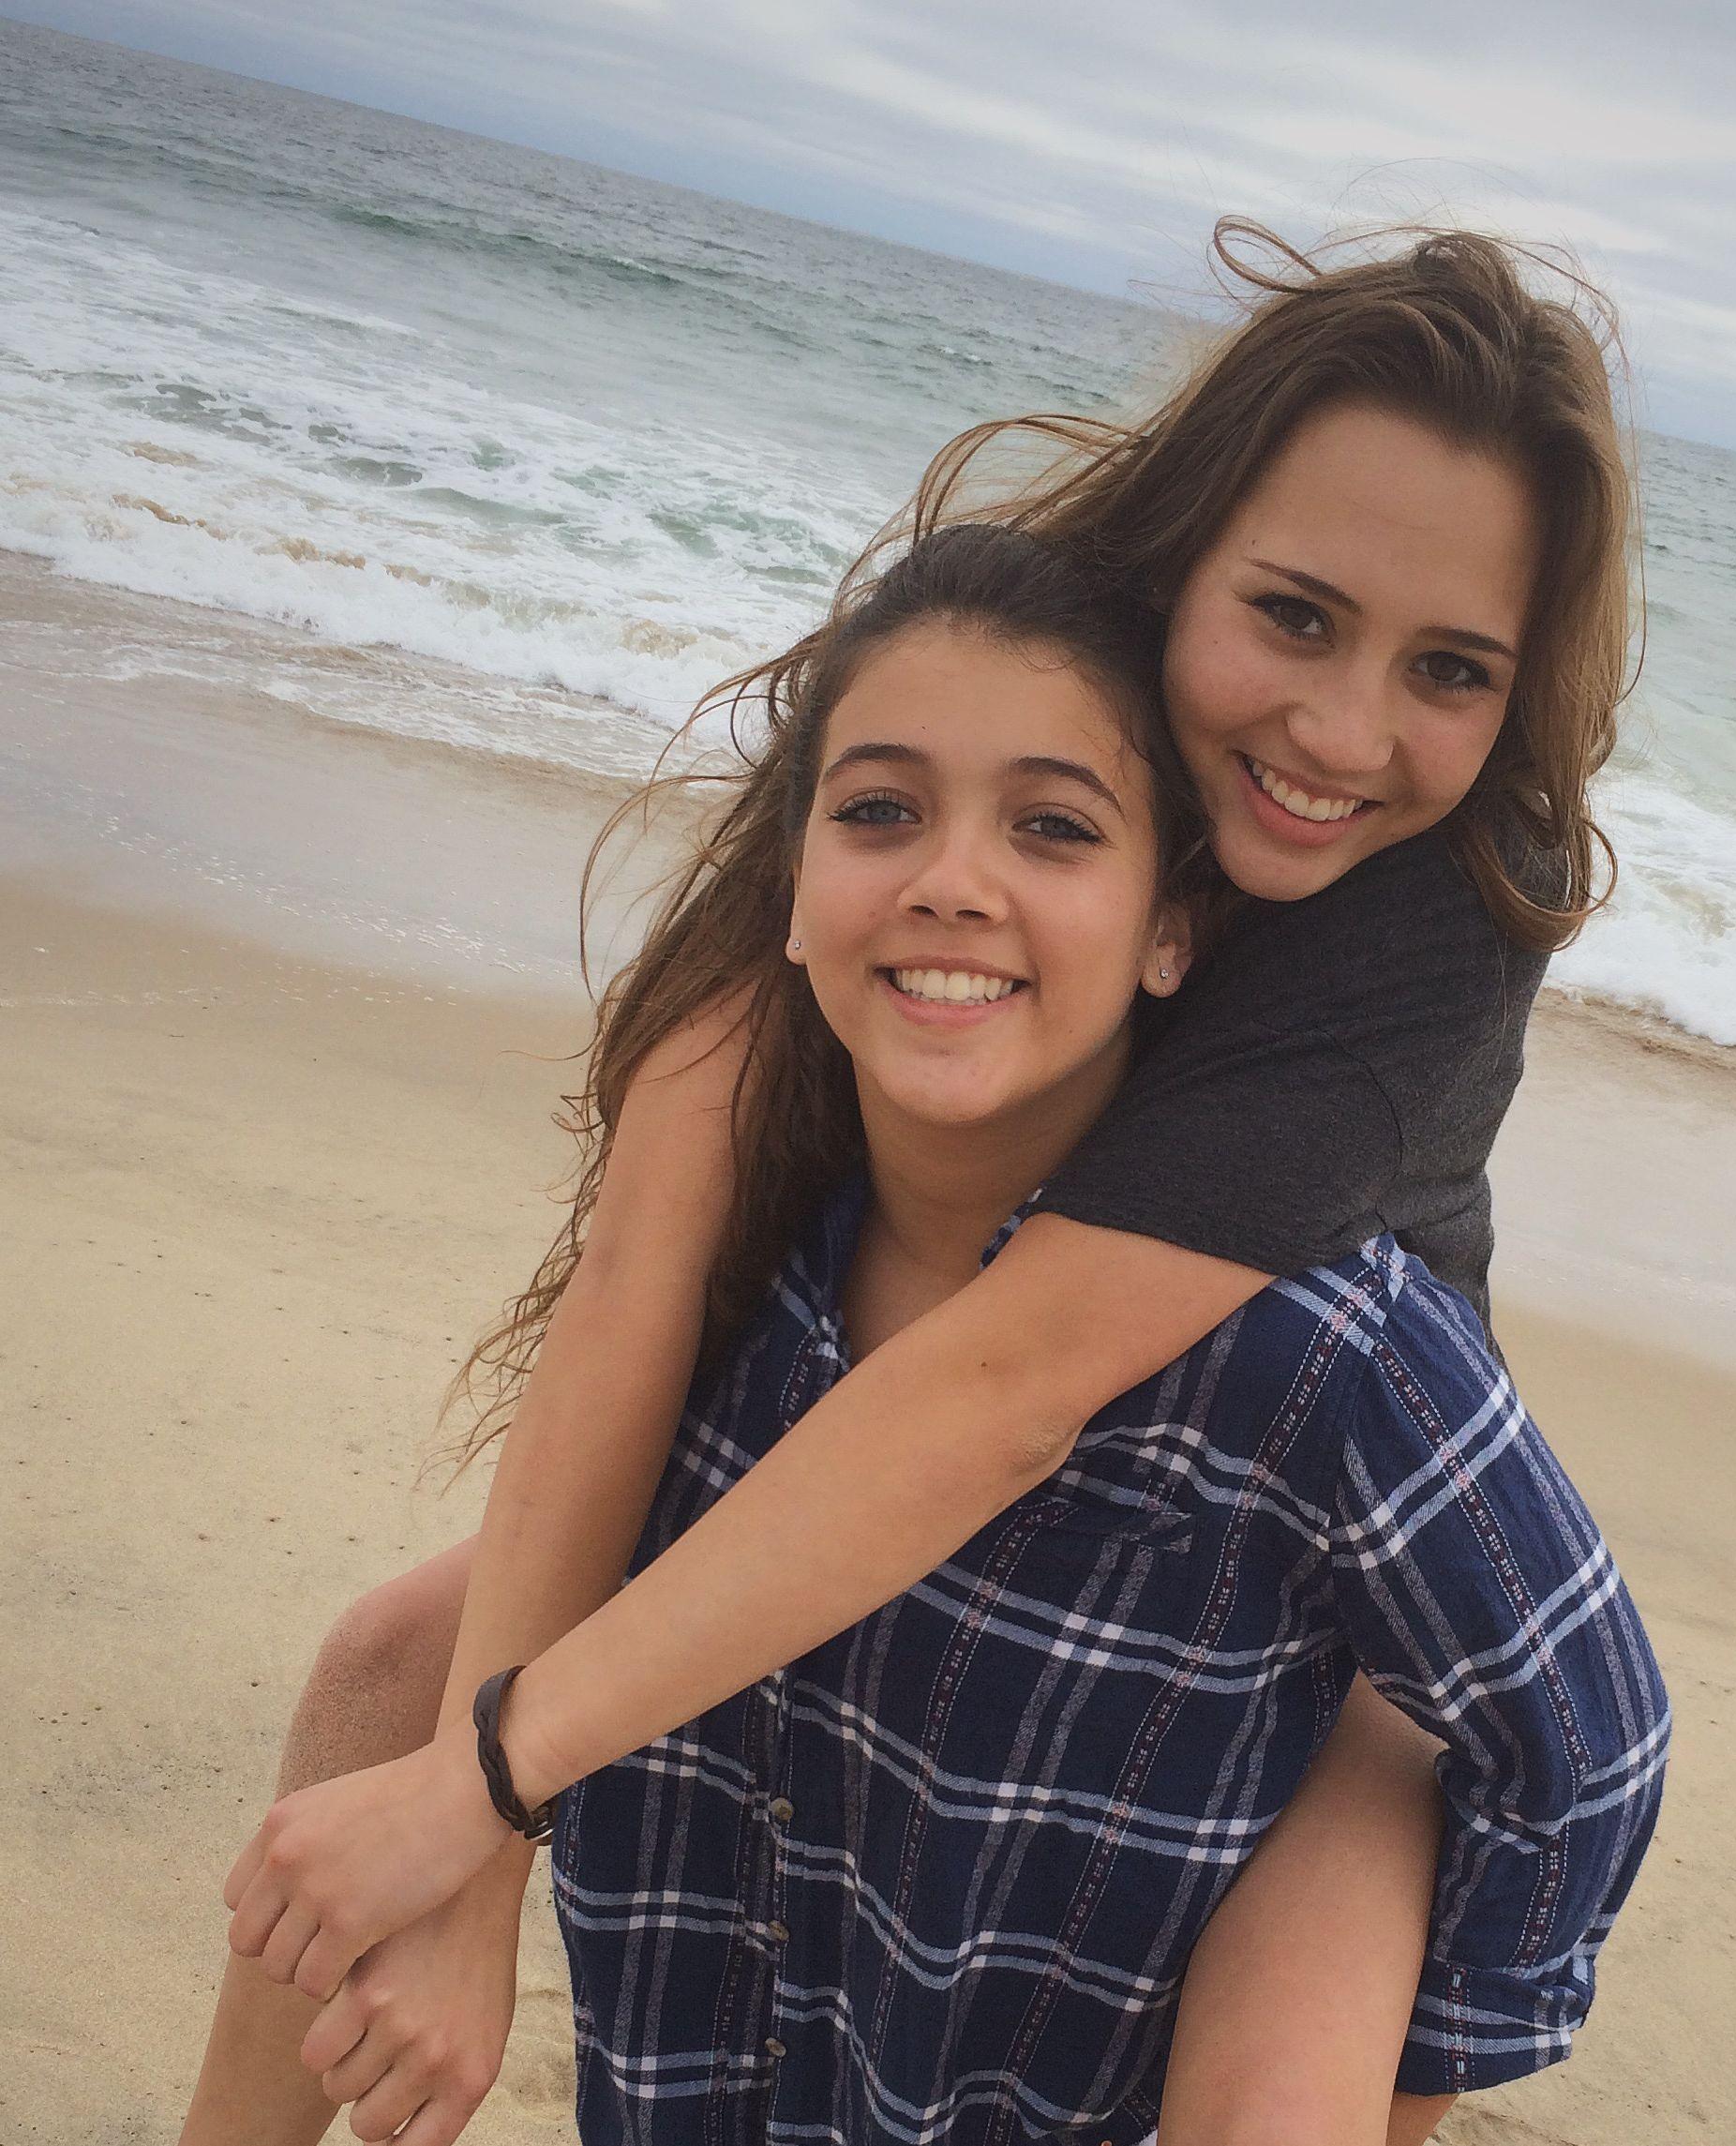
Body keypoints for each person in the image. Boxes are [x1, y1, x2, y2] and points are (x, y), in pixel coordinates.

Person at [182, 219, 1639, 2144]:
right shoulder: (970, 708)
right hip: (930, 1363)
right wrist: (472, 1861)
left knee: (1277, 2086)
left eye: (1449, 669)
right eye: (1293, 616)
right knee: (394, 1659)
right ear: (1182, 555)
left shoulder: (1437, 912)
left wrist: (486, 1787)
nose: (1343, 731)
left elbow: (1008, 1387)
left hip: (1291, 1536)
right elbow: (643, 1260)